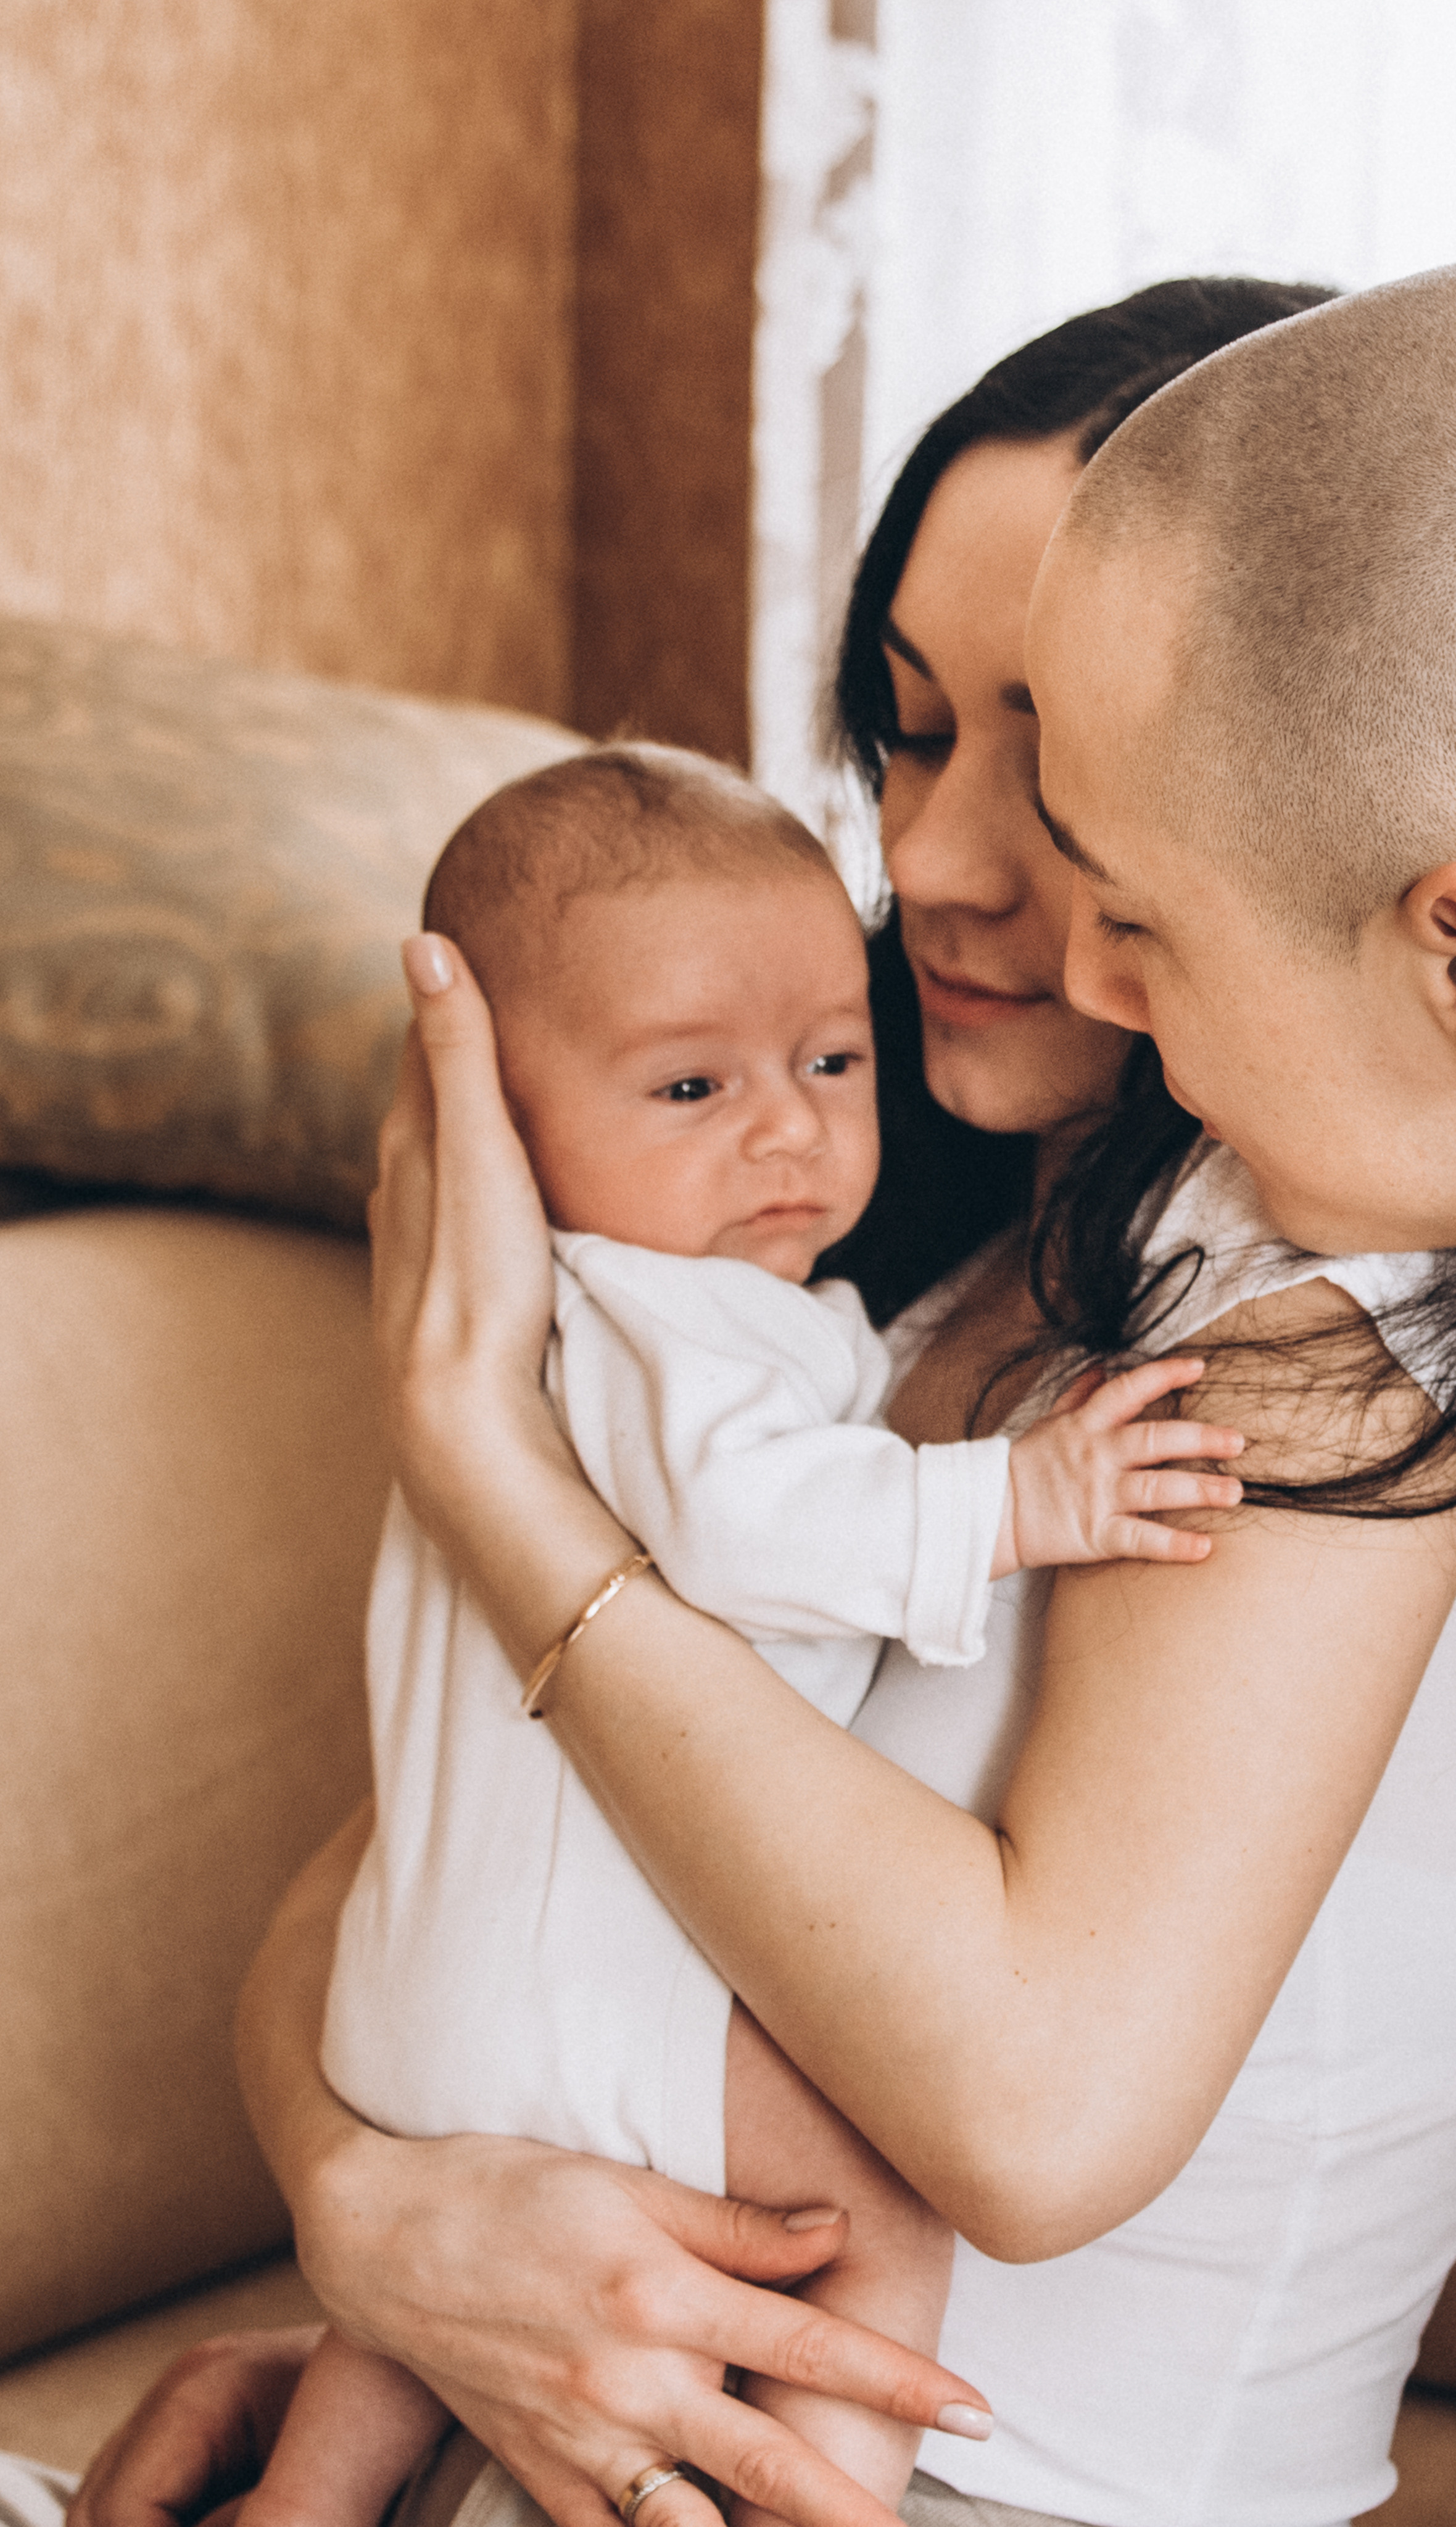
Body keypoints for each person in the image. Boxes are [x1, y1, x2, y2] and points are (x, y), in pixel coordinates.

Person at [74, 268, 1450, 2527]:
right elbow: (412, 1872)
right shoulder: (872, 1264)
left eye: (1057, 749)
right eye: (908, 729)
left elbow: (1026, 2113)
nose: (931, 858)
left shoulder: (1334, 1332)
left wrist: (493, 1476)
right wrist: (397, 2231)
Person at [242, 743, 1242, 2527]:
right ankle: (824, 2493)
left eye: (830, 1060)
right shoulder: (669, 1322)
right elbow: (748, 1519)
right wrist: (1021, 1504)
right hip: (579, 1993)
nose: (787, 1127)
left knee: (383, 2351)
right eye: (692, 1084)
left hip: (421, 2007)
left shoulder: (580, 1323)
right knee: (869, 2206)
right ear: (495, 1117)